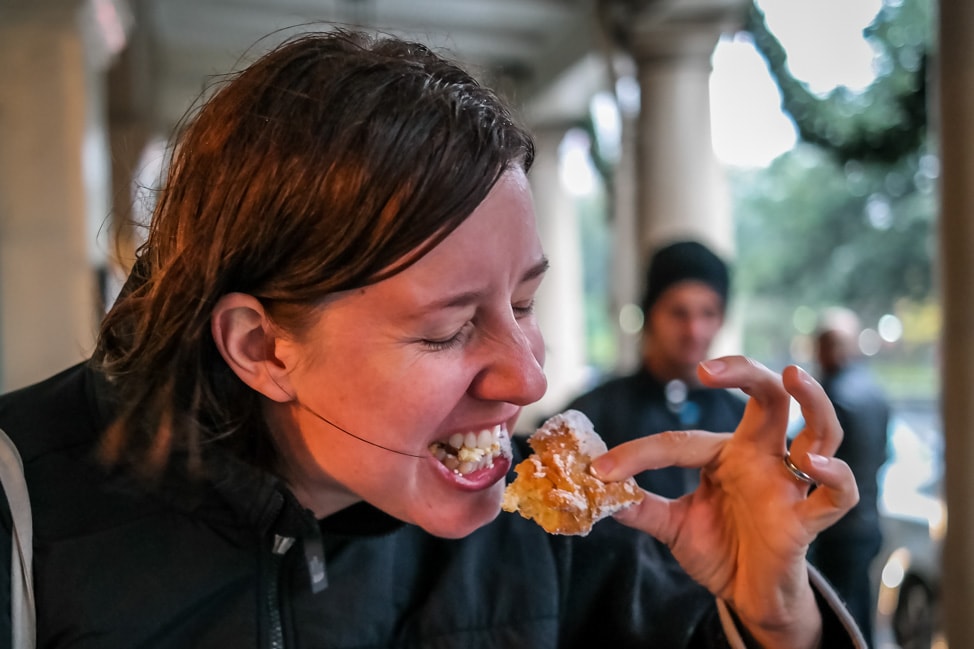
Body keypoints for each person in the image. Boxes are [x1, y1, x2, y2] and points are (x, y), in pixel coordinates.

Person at [0, 29, 865, 648]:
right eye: (451, 330)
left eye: (525, 303)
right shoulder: (22, 513)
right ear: (262, 348)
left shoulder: (555, 539)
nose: (528, 381)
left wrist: (774, 613)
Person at [564, 240, 746, 497]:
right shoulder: (593, 414)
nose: (694, 330)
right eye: (678, 312)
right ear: (651, 315)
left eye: (708, 313)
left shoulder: (746, 420)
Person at [808, 307, 890, 646]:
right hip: (868, 522)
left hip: (836, 528)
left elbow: (810, 462)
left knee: (838, 620)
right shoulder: (875, 393)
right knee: (861, 615)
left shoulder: (830, 397)